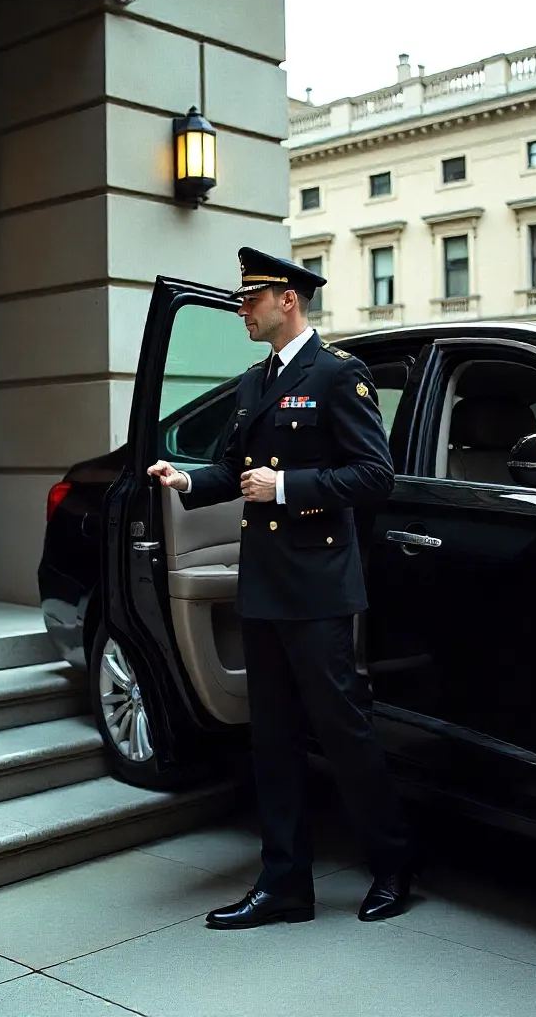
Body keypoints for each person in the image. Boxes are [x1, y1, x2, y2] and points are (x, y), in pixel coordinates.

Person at [147, 247, 414, 929]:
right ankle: (285, 884)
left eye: (251, 298)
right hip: (264, 585)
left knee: (344, 732)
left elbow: (375, 476)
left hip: (319, 589)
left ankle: (393, 865)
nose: (242, 308)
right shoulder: (252, 383)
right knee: (272, 740)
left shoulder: (338, 374)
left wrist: (287, 486)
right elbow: (237, 469)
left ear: (287, 299)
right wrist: (186, 479)